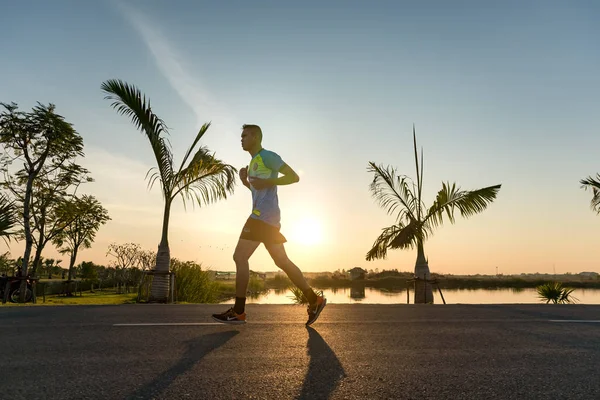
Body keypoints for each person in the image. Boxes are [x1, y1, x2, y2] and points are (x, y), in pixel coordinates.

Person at [212, 124, 326, 326]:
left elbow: (294, 177)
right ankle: (313, 299)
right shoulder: (255, 161)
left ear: (255, 137)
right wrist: (246, 183)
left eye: (245, 135)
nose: (241, 139)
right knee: (282, 262)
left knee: (239, 256)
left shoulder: (268, 156)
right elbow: (260, 192)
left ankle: (239, 311)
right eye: (241, 136)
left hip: (261, 217)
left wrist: (267, 183)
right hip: (268, 219)